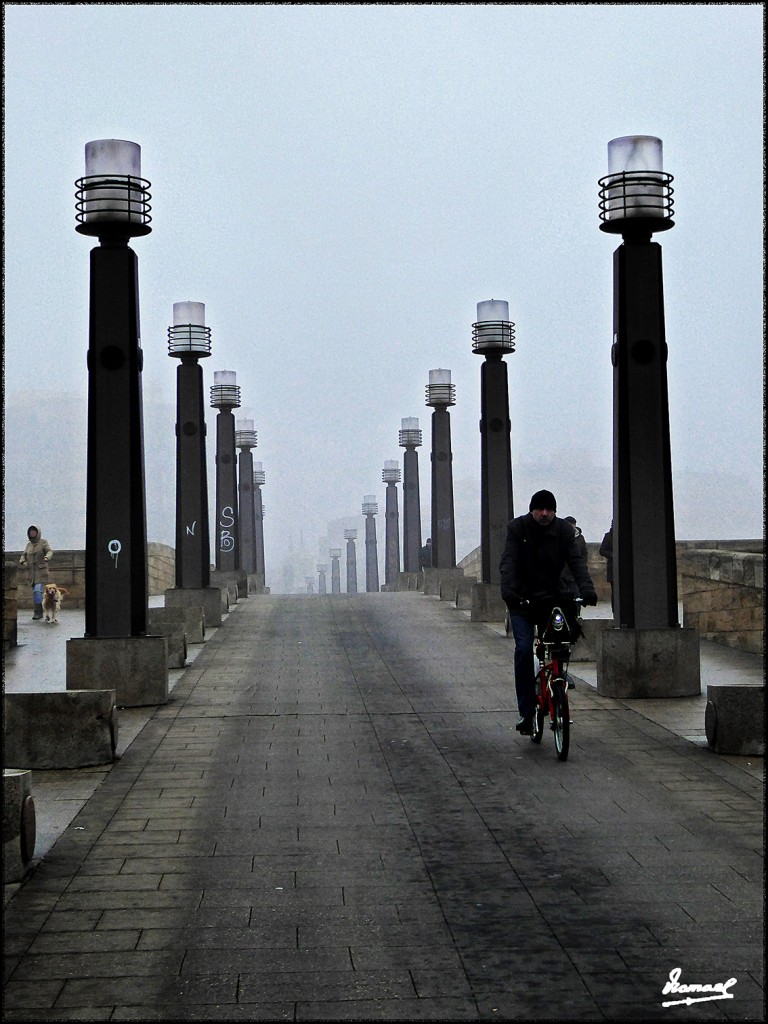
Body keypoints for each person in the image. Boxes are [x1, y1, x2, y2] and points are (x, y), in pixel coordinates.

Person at [499, 491, 597, 735]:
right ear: (532, 510)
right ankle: (526, 711)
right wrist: (510, 592)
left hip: (552, 597)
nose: (545, 513)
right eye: (540, 509)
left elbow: (576, 562)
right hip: (522, 599)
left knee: (562, 639)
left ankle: (558, 678)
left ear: (554, 511)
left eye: (549, 510)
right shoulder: (518, 529)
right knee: (523, 649)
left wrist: (586, 589)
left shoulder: (564, 531)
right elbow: (508, 563)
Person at [19, 524, 53, 621]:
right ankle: (39, 610)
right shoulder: (28, 545)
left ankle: (38, 612)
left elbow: (49, 551)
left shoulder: (43, 542)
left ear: (38, 532)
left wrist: (47, 557)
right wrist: (22, 561)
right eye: (31, 532)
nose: (32, 533)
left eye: (34, 531)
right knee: (35, 593)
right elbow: (23, 555)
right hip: (31, 573)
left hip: (41, 572)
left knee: (38, 591)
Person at [560, 516, 588, 599]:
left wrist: (581, 566)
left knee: (576, 596)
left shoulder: (580, 538)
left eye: (573, 525)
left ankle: (576, 611)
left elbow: (584, 554)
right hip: (561, 573)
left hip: (574, 573)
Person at [599, 522, 614, 613]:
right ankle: (615, 612)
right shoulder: (608, 536)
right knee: (615, 593)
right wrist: (612, 555)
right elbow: (602, 550)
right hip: (613, 568)